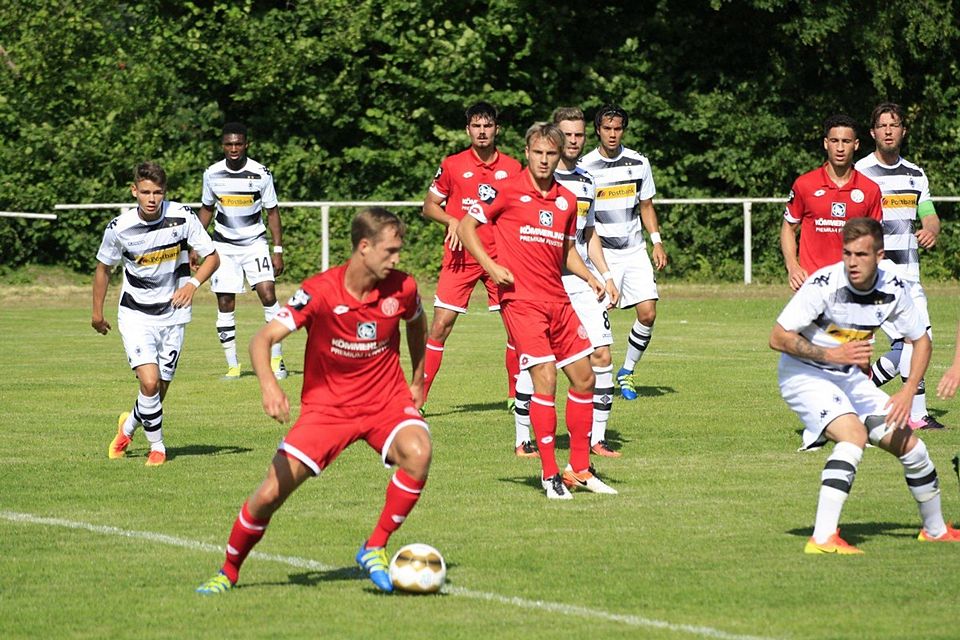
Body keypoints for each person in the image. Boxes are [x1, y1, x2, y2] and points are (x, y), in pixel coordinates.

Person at [196, 208, 431, 594]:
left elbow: (417, 322)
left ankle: (374, 546)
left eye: (398, 251)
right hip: (328, 411)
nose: (397, 259)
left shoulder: (402, 288)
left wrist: (418, 379)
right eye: (390, 251)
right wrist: (269, 386)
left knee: (418, 452)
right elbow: (262, 339)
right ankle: (228, 571)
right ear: (364, 247)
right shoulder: (320, 291)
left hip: (384, 403)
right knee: (269, 494)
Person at [770, 217, 958, 553]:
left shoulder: (894, 288)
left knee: (913, 449)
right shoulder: (824, 284)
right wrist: (832, 353)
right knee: (854, 435)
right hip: (804, 374)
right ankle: (823, 538)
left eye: (861, 255)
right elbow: (778, 337)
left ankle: (935, 530)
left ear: (879, 255)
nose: (852, 262)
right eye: (847, 254)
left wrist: (907, 390)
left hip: (849, 378)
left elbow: (921, 340)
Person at [459, 122, 617, 499]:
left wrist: (593, 277)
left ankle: (578, 468)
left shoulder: (565, 200)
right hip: (521, 302)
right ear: (527, 153)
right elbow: (466, 227)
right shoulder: (507, 190)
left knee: (585, 378)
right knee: (545, 376)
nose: (544, 160)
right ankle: (549, 475)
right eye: (538, 153)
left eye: (551, 153)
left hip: (559, 300)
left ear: (558, 154)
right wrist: (492, 267)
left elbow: (566, 251)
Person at [93, 162, 219, 467]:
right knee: (148, 383)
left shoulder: (182, 217)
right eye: (145, 192)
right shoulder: (119, 227)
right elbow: (103, 268)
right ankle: (158, 447)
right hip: (135, 314)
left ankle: (126, 428)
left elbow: (213, 257)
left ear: (165, 192)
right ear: (134, 191)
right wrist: (97, 313)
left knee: (158, 390)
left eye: (158, 192)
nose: (152, 198)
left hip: (174, 315)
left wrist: (192, 284)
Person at [420, 102, 524, 432]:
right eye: (476, 126)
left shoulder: (513, 167)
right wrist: (452, 219)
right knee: (440, 326)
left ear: (497, 129)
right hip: (460, 257)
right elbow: (428, 206)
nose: (482, 131)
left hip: (500, 258)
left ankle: (515, 395)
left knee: (517, 327)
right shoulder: (452, 165)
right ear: (468, 130)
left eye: (488, 126)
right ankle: (418, 400)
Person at [855, 103, 944, 430]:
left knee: (915, 344)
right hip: (877, 277)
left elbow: (930, 215)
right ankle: (913, 413)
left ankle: (873, 402)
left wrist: (931, 230)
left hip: (910, 275)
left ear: (903, 131)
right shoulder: (861, 173)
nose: (888, 131)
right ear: (873, 133)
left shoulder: (916, 174)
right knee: (913, 342)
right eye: (882, 125)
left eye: (894, 125)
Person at [578, 104, 667, 401]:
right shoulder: (585, 166)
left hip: (634, 250)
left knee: (648, 312)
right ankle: (589, 376)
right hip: (601, 253)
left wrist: (656, 241)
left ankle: (627, 372)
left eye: (618, 129)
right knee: (595, 315)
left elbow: (646, 206)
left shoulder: (639, 162)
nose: (613, 134)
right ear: (598, 131)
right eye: (607, 129)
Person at [198, 122, 287, 380]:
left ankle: (277, 360)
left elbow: (272, 212)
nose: (233, 148)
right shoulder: (212, 173)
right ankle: (233, 366)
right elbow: (206, 209)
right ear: (222, 146)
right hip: (223, 246)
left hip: (255, 243)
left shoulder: (261, 173)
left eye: (238, 144)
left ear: (246, 144)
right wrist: (197, 244)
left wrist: (277, 249)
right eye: (229, 144)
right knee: (225, 302)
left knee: (268, 294)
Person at [780, 114, 883, 291]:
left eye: (846, 141)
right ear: (826, 143)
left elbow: (876, 239)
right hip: (811, 284)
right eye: (835, 141)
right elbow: (788, 227)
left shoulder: (870, 189)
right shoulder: (805, 184)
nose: (840, 148)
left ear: (856, 145)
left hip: (853, 286)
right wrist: (792, 266)